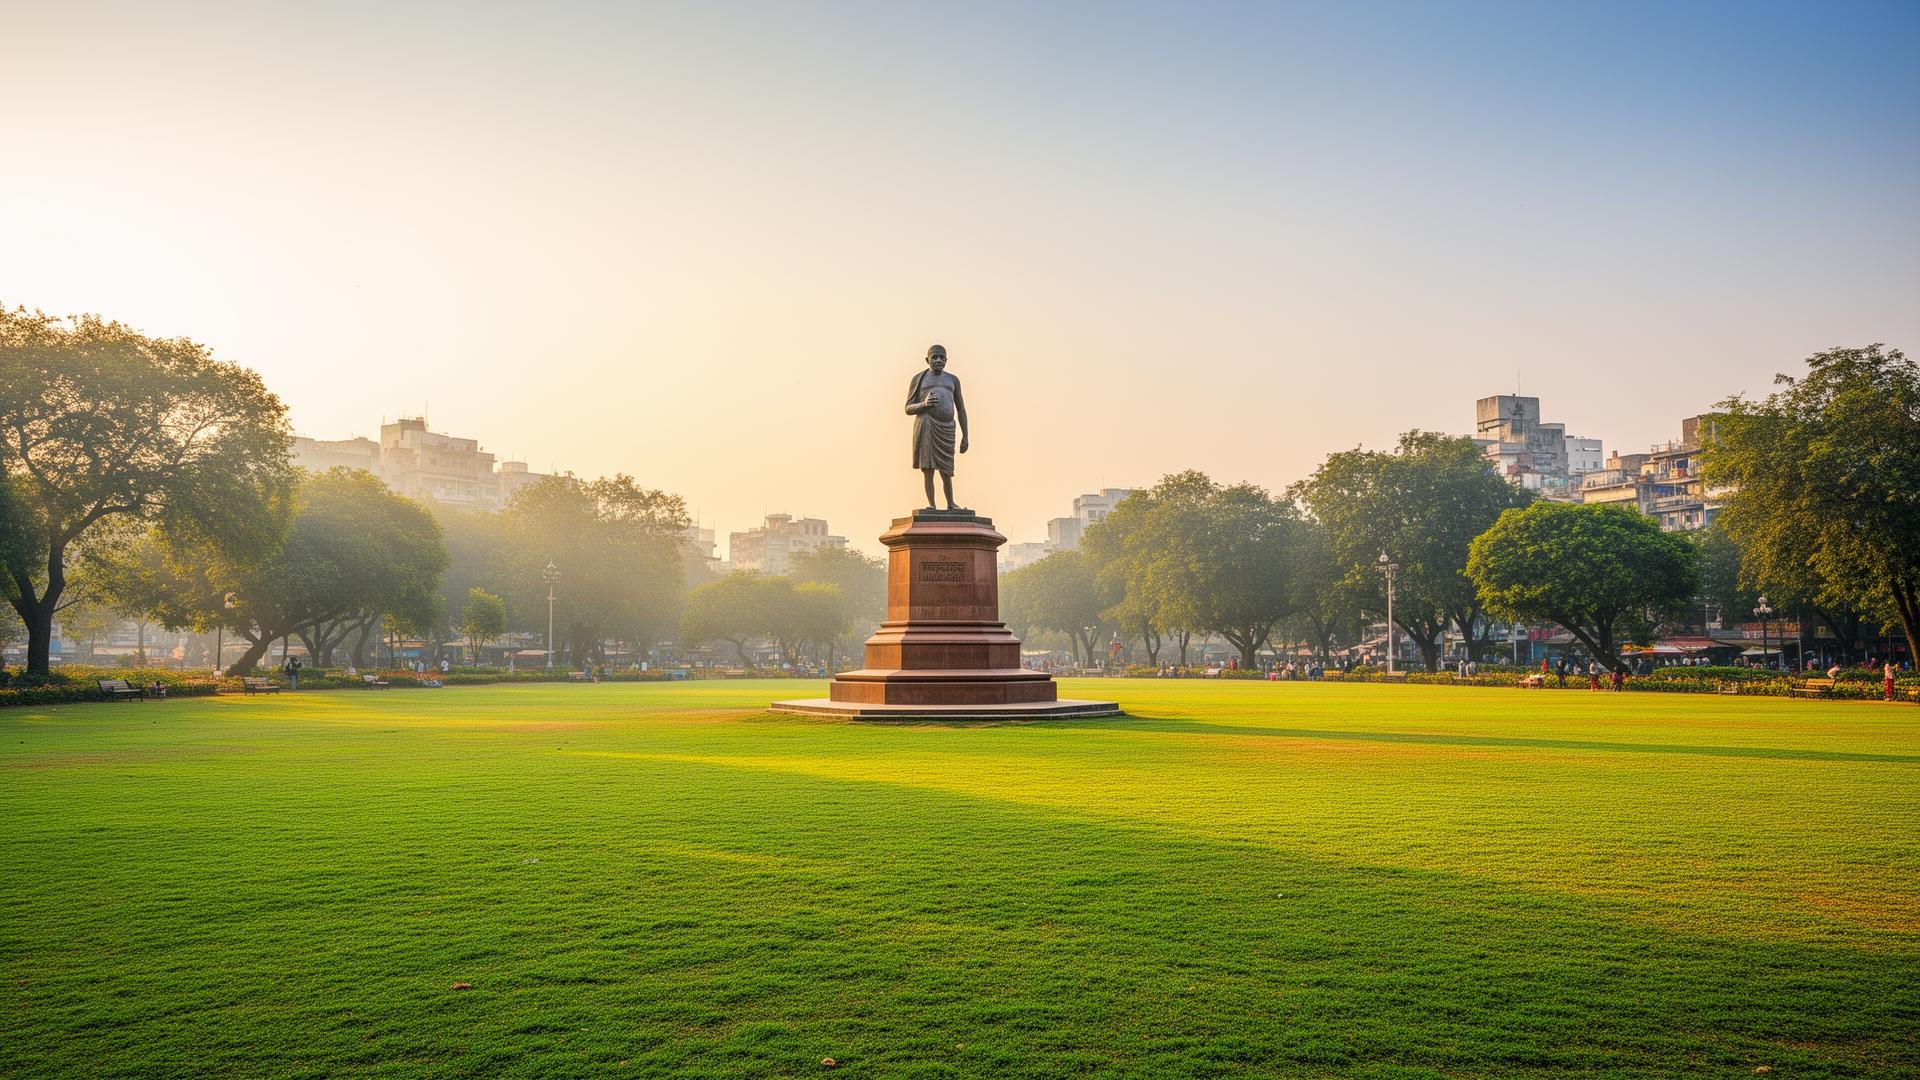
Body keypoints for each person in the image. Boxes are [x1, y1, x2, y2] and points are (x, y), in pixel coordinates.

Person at [905, 344, 969, 511]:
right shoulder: (919, 379)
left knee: (947, 469)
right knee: (928, 467)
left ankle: (951, 503)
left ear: (946, 360)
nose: (939, 360)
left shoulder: (952, 380)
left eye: (942, 357)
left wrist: (966, 435)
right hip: (927, 424)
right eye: (935, 357)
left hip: (947, 427)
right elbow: (908, 408)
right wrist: (924, 404)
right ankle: (931, 504)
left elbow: (961, 408)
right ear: (928, 360)